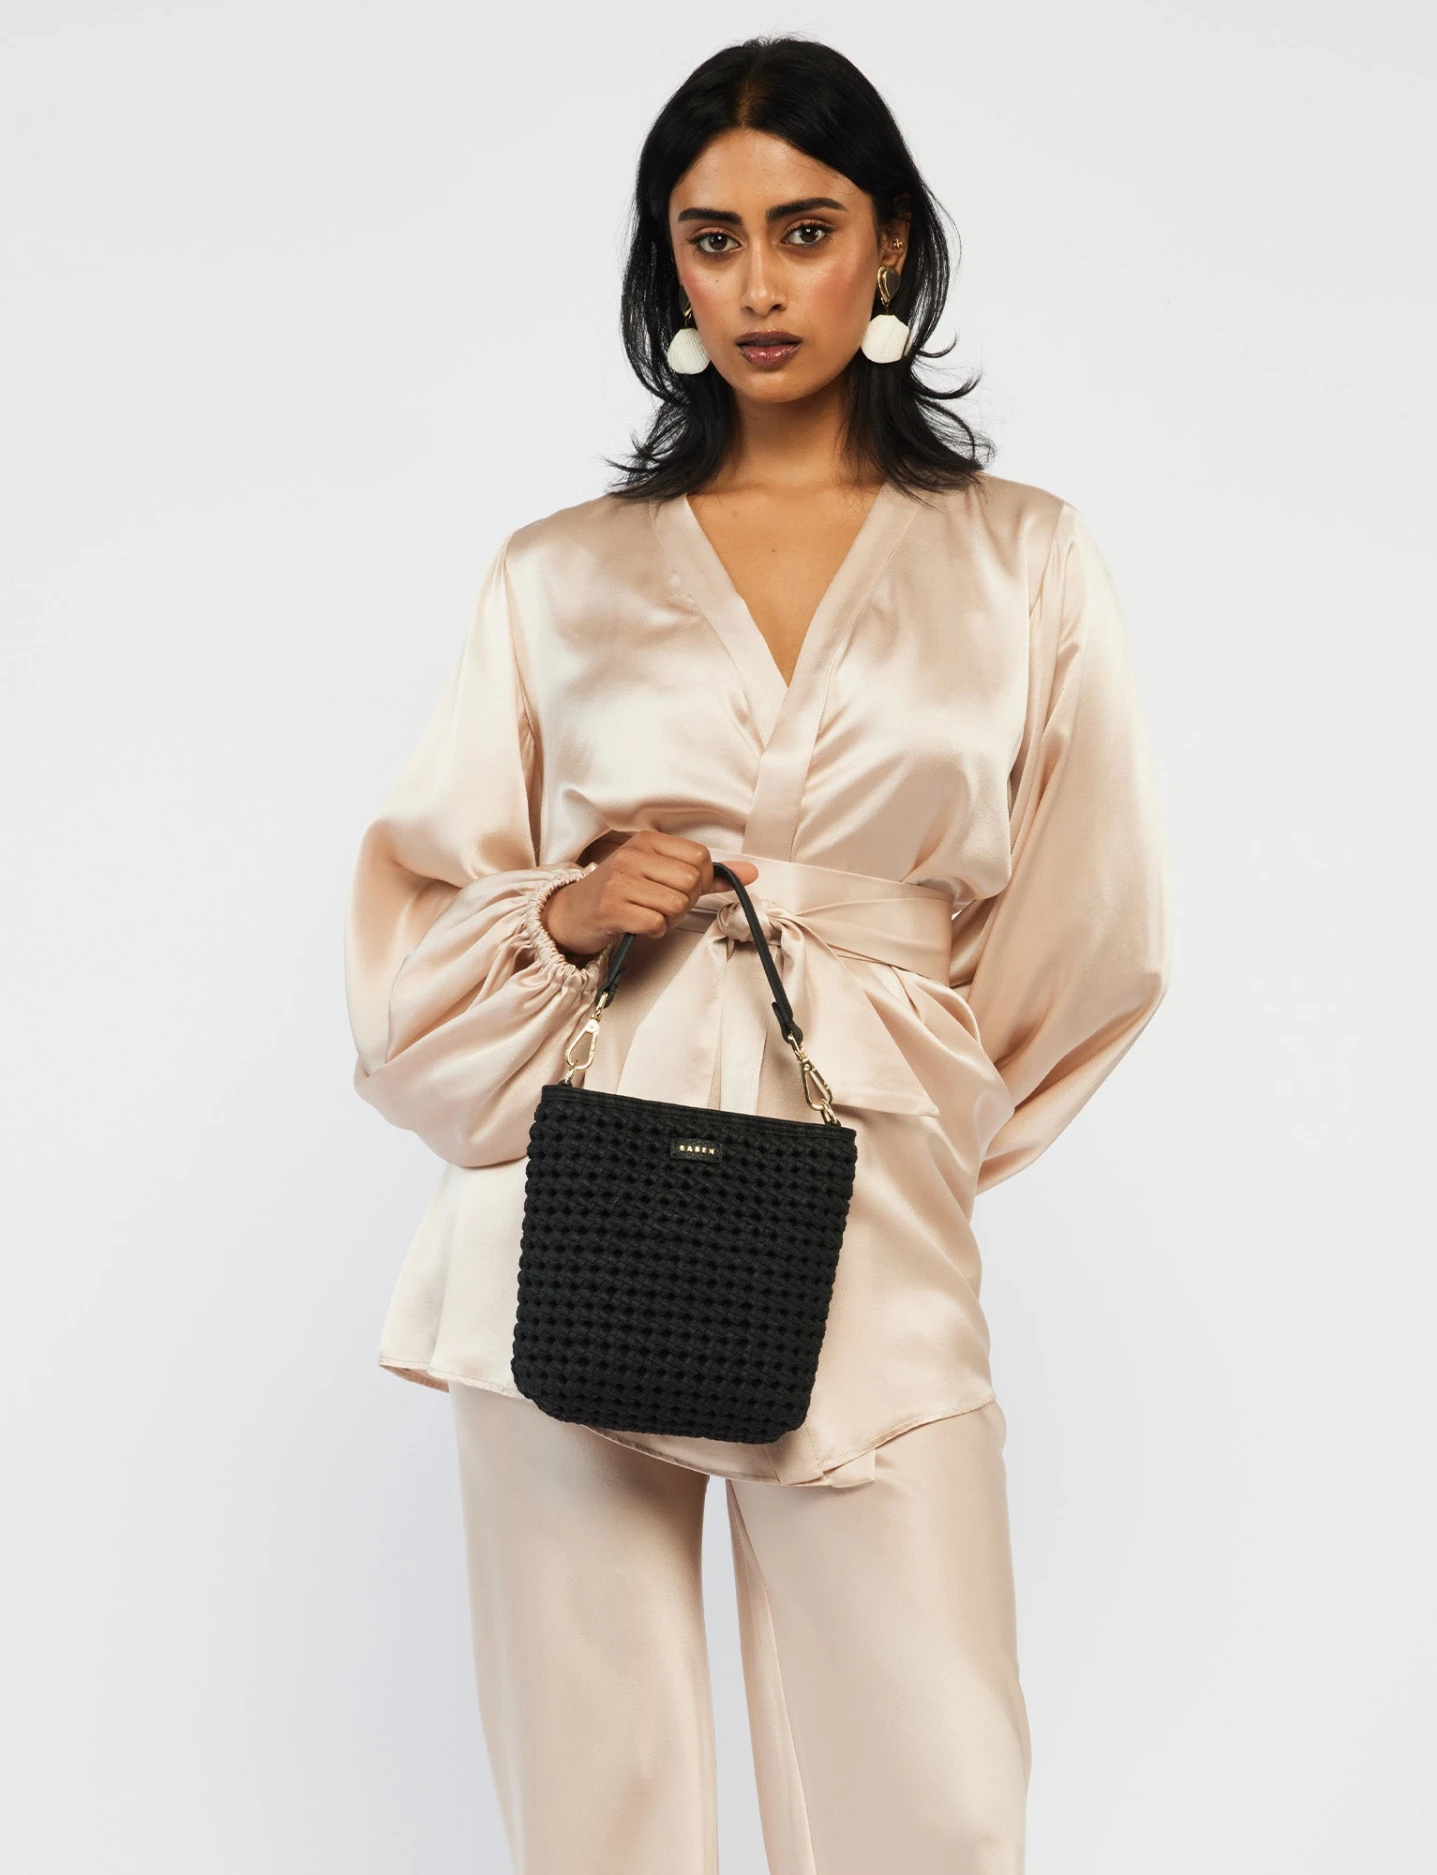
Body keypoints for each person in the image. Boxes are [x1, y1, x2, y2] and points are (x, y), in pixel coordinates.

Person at [344, 34, 1170, 1875]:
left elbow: (1090, 929)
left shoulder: (1023, 560)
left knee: (934, 1792)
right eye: (710, 241)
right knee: (600, 1802)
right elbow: (406, 954)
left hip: (865, 1199)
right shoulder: (557, 573)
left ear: (892, 249)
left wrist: (915, 1122)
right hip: (571, 1213)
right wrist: (564, 913)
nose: (760, 286)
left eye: (806, 230)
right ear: (670, 268)